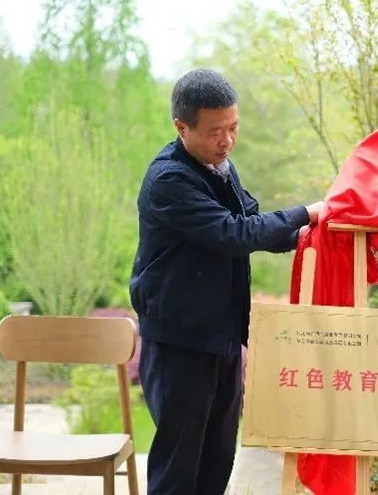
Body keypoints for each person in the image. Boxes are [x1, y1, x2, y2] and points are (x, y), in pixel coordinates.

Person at [130, 68, 324, 494]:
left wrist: (308, 236)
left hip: (221, 337)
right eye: (215, 131)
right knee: (178, 470)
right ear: (181, 127)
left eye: (233, 127)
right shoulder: (170, 179)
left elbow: (251, 222)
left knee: (216, 463)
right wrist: (307, 212)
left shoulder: (219, 167)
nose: (227, 140)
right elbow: (234, 234)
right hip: (180, 343)